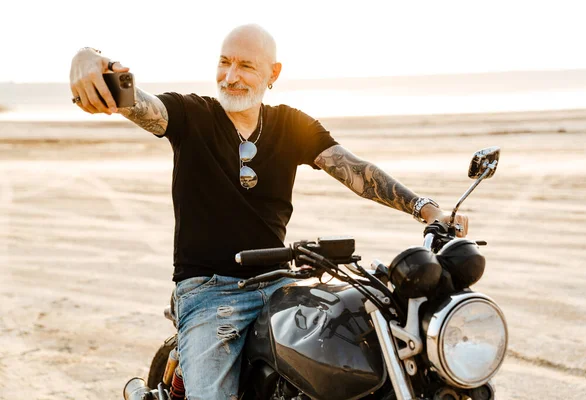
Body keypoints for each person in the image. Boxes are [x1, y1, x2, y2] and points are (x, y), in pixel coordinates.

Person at [69, 24, 469, 400]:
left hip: (280, 283)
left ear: (272, 73)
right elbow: (140, 104)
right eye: (224, 62)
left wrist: (425, 209)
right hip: (209, 289)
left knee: (355, 343)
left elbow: (355, 170)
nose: (230, 76)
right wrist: (90, 59)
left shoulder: (290, 125)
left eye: (245, 65)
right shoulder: (192, 114)